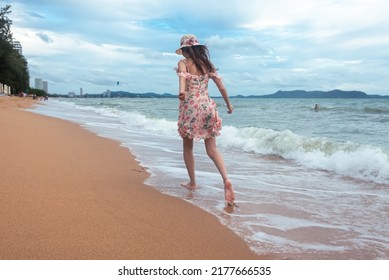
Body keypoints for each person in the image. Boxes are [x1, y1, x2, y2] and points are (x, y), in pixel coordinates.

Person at [175, 34, 235, 206]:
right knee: (212, 150)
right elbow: (221, 86)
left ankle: (193, 183)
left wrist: (181, 92)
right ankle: (226, 179)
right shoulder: (208, 65)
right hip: (208, 107)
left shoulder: (184, 64)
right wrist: (229, 105)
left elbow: (182, 78)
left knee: (188, 146)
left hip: (190, 108)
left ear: (186, 49)